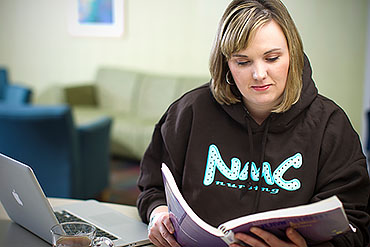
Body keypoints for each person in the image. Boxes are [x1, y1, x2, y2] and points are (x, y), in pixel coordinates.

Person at [136, 0, 370, 246]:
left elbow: (355, 224)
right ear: (226, 63)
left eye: (272, 58)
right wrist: (158, 213)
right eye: (243, 62)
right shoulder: (189, 112)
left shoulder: (331, 126)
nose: (259, 74)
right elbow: (152, 187)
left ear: (293, 54)